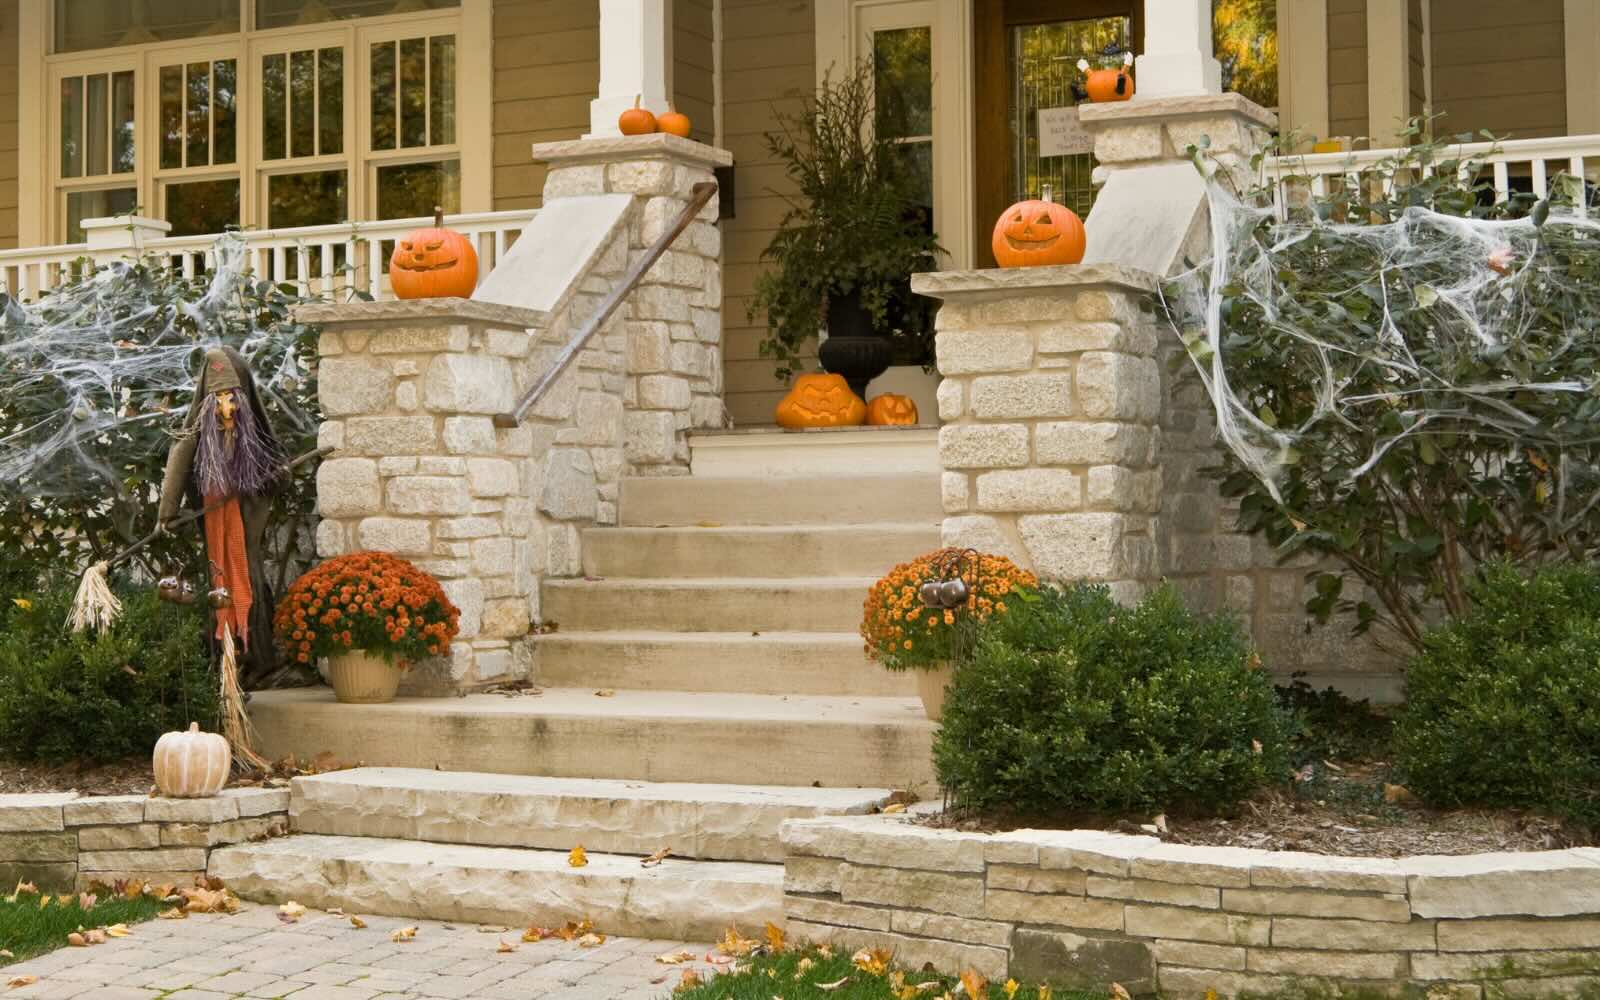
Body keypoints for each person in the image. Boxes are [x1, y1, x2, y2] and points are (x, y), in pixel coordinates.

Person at [157, 347, 284, 688]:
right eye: (217, 397)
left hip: (244, 517)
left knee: (245, 572)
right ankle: (223, 653)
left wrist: (267, 479)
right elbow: (181, 457)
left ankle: (253, 653)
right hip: (212, 513)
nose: (225, 406)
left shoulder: (252, 429)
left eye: (231, 396)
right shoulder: (200, 426)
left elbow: (272, 464)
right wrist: (167, 512)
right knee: (218, 575)